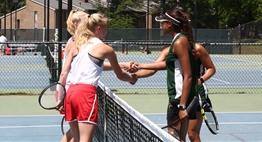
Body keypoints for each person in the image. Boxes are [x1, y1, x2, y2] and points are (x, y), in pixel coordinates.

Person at [58, 13, 137, 142]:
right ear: (99, 28)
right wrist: (132, 79)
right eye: (106, 27)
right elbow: (120, 75)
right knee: (85, 139)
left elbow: (64, 73)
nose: (108, 30)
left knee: (76, 138)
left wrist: (60, 97)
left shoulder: (76, 46)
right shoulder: (105, 49)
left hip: (70, 94)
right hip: (86, 94)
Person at [130, 8, 198, 141]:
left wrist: (182, 106)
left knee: (175, 139)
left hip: (179, 99)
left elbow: (188, 75)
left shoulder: (179, 42)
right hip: (179, 98)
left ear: (170, 24)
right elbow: (166, 65)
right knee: (180, 139)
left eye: (162, 22)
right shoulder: (177, 41)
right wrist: (139, 68)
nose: (161, 25)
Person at [131, 43, 216, 142]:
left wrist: (200, 80)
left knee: (192, 134)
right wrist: (135, 76)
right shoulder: (168, 51)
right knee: (178, 137)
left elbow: (211, 68)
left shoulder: (197, 48)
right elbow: (154, 68)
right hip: (179, 94)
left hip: (197, 94)